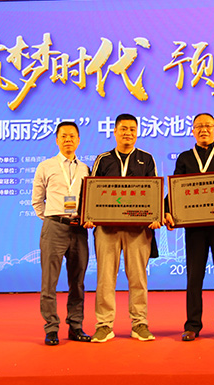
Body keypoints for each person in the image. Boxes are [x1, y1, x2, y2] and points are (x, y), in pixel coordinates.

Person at [85, 113, 161, 343]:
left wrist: (155, 216)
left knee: (138, 278)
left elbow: (153, 191)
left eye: (132, 129)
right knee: (105, 278)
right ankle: (104, 325)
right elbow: (92, 191)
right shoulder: (103, 159)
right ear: (115, 132)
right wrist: (89, 216)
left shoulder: (146, 159)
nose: (128, 133)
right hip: (107, 229)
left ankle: (139, 323)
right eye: (124, 129)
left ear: (137, 133)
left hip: (138, 230)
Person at [165, 113, 214, 342]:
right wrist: (167, 210)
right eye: (199, 126)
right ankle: (192, 325)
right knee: (194, 277)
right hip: (195, 227)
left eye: (208, 126)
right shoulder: (185, 158)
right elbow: (176, 187)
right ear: (193, 130)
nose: (204, 130)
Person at [31, 121, 92, 346]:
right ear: (57, 140)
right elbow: (37, 200)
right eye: (64, 136)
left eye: (72, 136)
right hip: (54, 226)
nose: (68, 140)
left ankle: (75, 326)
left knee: (78, 281)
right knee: (49, 281)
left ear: (78, 140)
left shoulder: (85, 169)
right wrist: (52, 218)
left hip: (79, 229)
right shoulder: (45, 166)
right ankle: (51, 328)